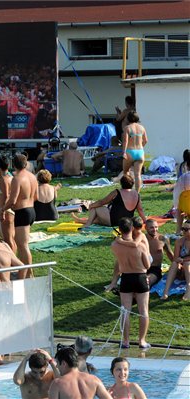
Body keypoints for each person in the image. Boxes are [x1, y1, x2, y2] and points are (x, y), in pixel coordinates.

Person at [111, 217, 151, 349]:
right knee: (143, 310)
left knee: (125, 311)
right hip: (140, 277)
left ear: (120, 230)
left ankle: (126, 341)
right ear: (132, 228)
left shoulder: (115, 245)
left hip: (126, 278)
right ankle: (142, 340)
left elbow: (118, 261)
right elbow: (147, 264)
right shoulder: (140, 245)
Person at [0, 154, 38, 278]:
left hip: (23, 212)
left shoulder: (17, 178)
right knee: (22, 244)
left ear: (13, 165)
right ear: (26, 164)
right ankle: (27, 273)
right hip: (31, 210)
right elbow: (37, 197)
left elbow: (12, 200)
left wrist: (2, 210)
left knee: (23, 246)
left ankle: (28, 274)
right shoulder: (32, 176)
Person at [74, 175, 145, 228]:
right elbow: (140, 210)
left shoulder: (117, 192)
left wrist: (91, 205)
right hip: (126, 222)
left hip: (114, 221)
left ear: (121, 183)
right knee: (98, 219)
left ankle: (87, 224)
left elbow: (102, 202)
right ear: (132, 184)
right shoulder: (136, 194)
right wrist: (145, 221)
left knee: (95, 207)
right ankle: (79, 220)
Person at [161, 220, 190, 300]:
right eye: (182, 228)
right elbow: (176, 258)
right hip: (183, 268)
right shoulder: (180, 241)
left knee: (187, 263)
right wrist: (180, 261)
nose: (183, 231)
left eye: (186, 229)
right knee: (174, 263)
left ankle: (188, 288)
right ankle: (166, 291)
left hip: (187, 266)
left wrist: (183, 260)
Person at [122, 111, 148, 192]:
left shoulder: (127, 128)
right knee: (138, 174)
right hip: (140, 152)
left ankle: (127, 190)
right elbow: (146, 140)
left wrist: (124, 152)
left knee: (126, 173)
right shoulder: (142, 128)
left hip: (130, 151)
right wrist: (141, 147)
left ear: (128, 118)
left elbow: (125, 141)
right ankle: (137, 194)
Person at [0, 155, 16, 250]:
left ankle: (13, 261)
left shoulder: (4, 179)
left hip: (6, 210)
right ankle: (14, 261)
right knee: (11, 238)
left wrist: (2, 212)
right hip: (10, 209)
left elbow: (7, 195)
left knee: (8, 239)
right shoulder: (11, 176)